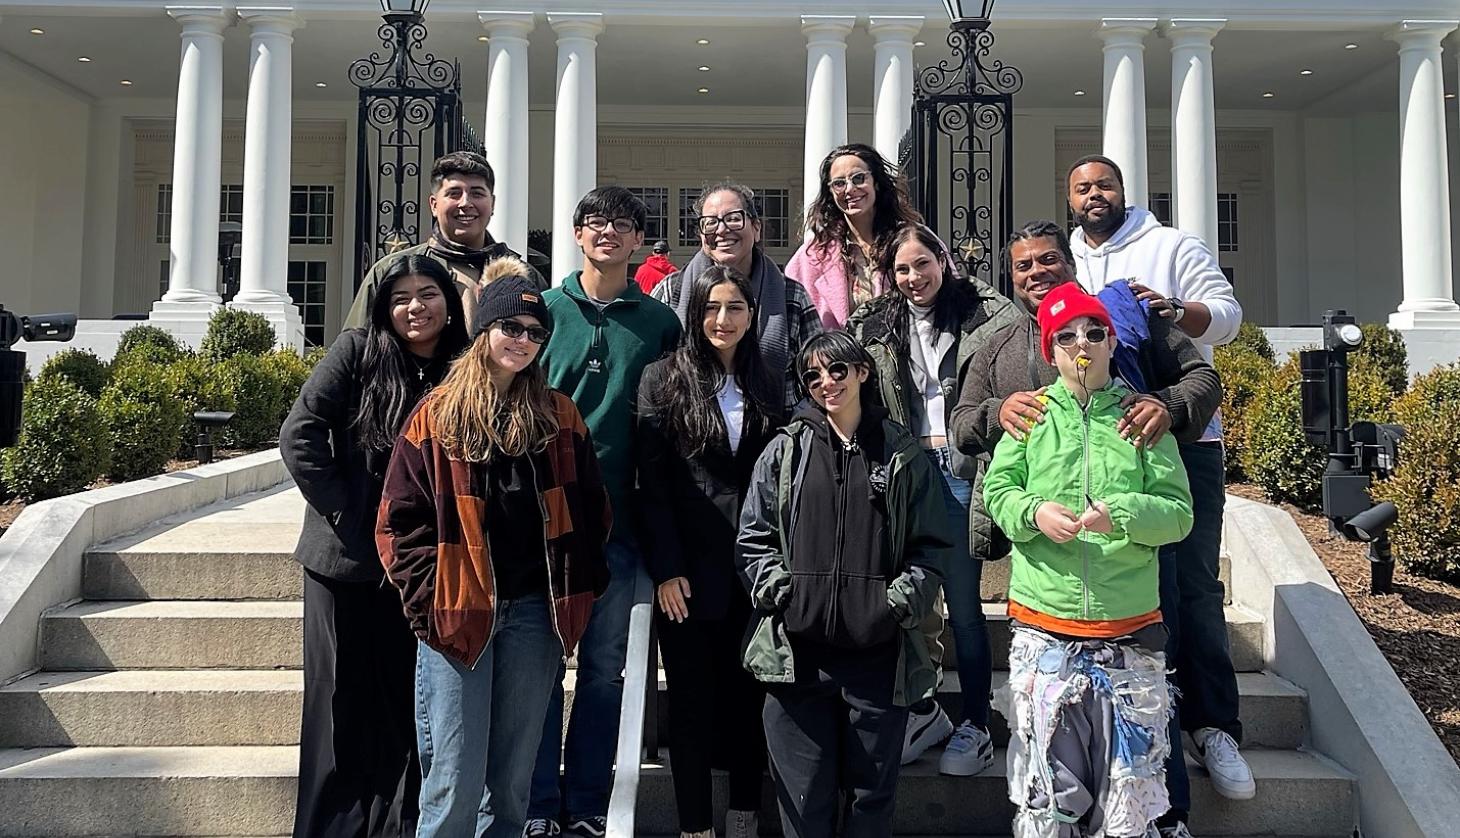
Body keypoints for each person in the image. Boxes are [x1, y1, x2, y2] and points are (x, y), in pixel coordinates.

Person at [951, 220, 1222, 837]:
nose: (1036, 273)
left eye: (1048, 260)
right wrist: (999, 413)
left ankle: (1168, 816)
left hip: (1130, 603)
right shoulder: (995, 344)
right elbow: (967, 426)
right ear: (1011, 276)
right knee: (1051, 783)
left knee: (1138, 770)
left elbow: (1202, 381)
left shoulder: (1129, 324)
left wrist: (1165, 408)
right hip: (1046, 609)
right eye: (1023, 265)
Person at [375, 266, 612, 838]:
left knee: (510, 786)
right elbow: (397, 522)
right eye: (510, 325)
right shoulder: (437, 414)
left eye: (534, 331)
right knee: (453, 781)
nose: (522, 339)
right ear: (484, 329)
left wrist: (581, 583)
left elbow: (591, 512)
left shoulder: (559, 415)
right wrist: (430, 597)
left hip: (536, 615)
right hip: (460, 612)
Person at [1066, 154, 1253, 825]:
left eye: (1104, 185)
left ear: (1123, 191)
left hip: (1187, 441)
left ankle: (1216, 727)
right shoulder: (1067, 262)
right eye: (1082, 188)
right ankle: (1152, 723)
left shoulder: (1172, 245)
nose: (1095, 195)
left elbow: (1227, 316)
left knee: (1197, 584)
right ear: (1071, 199)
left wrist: (1179, 310)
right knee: (1144, 592)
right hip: (1111, 456)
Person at [983, 282, 1194, 838]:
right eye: (1068, 335)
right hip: (1044, 634)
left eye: (1094, 332)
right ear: (1051, 349)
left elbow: (1178, 514)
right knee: (1050, 797)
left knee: (1128, 794)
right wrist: (1033, 513)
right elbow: (998, 493)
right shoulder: (1028, 417)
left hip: (1127, 637)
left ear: (1110, 341)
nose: (1083, 343)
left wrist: (1121, 513)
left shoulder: (1141, 419)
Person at [280, 253, 469, 838]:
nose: (417, 307)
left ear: (448, 301)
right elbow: (300, 435)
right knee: (339, 701)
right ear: (385, 307)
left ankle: (397, 824)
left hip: (420, 566)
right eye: (402, 298)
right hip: (347, 561)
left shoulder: (463, 367)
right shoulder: (358, 352)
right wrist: (351, 514)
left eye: (429, 294)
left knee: (406, 705)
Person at [737, 330, 951, 838]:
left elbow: (932, 544)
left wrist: (894, 602)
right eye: (812, 376)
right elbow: (754, 535)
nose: (826, 383)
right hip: (797, 658)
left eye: (837, 370)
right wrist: (781, 593)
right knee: (803, 803)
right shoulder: (785, 450)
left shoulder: (899, 452)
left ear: (862, 372)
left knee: (870, 802)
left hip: (877, 658)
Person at [526, 186, 682, 838]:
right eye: (595, 221)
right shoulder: (542, 311)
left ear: (639, 240)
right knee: (536, 671)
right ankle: (533, 803)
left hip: (618, 523)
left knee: (603, 671)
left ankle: (586, 802)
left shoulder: (659, 324)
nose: (607, 231)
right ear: (577, 233)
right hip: (542, 523)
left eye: (621, 223)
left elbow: (667, 426)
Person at [847, 223, 1021, 777]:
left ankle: (975, 720)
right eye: (901, 269)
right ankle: (921, 712)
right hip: (907, 471)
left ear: (943, 261)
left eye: (922, 264)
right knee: (911, 605)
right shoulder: (877, 325)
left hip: (962, 469)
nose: (913, 277)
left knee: (966, 610)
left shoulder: (986, 316)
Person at [637, 265, 782, 838]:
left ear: (753, 316)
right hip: (689, 572)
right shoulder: (662, 380)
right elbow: (651, 486)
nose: (723, 320)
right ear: (695, 314)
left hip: (753, 569)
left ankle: (744, 818)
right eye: (712, 308)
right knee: (692, 706)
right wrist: (666, 570)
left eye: (736, 308)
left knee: (751, 698)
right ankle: (695, 826)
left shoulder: (769, 380)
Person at [652, 181, 822, 412]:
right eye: (710, 222)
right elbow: (652, 371)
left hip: (774, 433)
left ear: (756, 228)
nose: (721, 230)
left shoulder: (791, 296)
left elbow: (819, 372)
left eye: (733, 218)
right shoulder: (671, 291)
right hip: (690, 429)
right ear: (702, 236)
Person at [344, 151, 544, 330]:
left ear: (492, 204)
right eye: (454, 193)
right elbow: (355, 348)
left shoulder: (524, 277)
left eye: (477, 193)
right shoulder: (391, 271)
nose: (465, 203)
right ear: (433, 204)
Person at [788, 143, 924, 330]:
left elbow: (947, 293)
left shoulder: (915, 240)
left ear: (875, 181)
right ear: (830, 192)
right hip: (839, 357)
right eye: (839, 183)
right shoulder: (811, 256)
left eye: (858, 178)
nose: (850, 189)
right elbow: (791, 318)